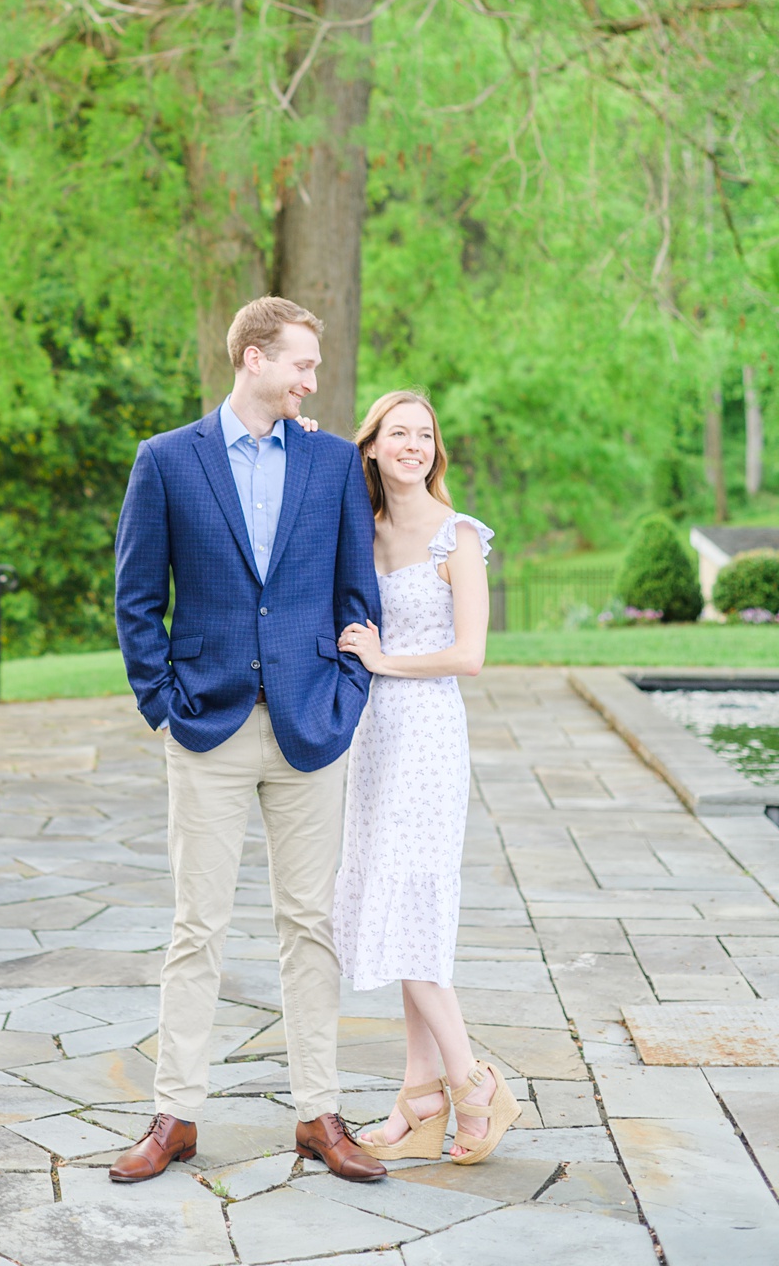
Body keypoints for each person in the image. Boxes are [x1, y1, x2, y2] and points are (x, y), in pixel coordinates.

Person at [108, 296, 387, 1185]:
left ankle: (320, 1113)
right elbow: (135, 598)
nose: (313, 379)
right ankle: (175, 1116)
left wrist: (345, 697)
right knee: (199, 927)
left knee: (311, 927)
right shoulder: (166, 462)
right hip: (207, 729)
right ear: (255, 357)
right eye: (301, 363)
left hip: (311, 726)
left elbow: (357, 596)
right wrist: (164, 702)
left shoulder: (337, 463)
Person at [332, 390, 524, 1163]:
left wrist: (383, 660)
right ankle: (417, 1102)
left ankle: (473, 1082)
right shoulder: (361, 529)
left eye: (425, 433)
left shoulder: (459, 537)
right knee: (392, 902)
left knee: (414, 903)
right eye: (397, 433)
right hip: (374, 738)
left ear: (434, 449)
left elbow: (470, 655)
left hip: (429, 733)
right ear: (372, 446)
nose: (413, 444)